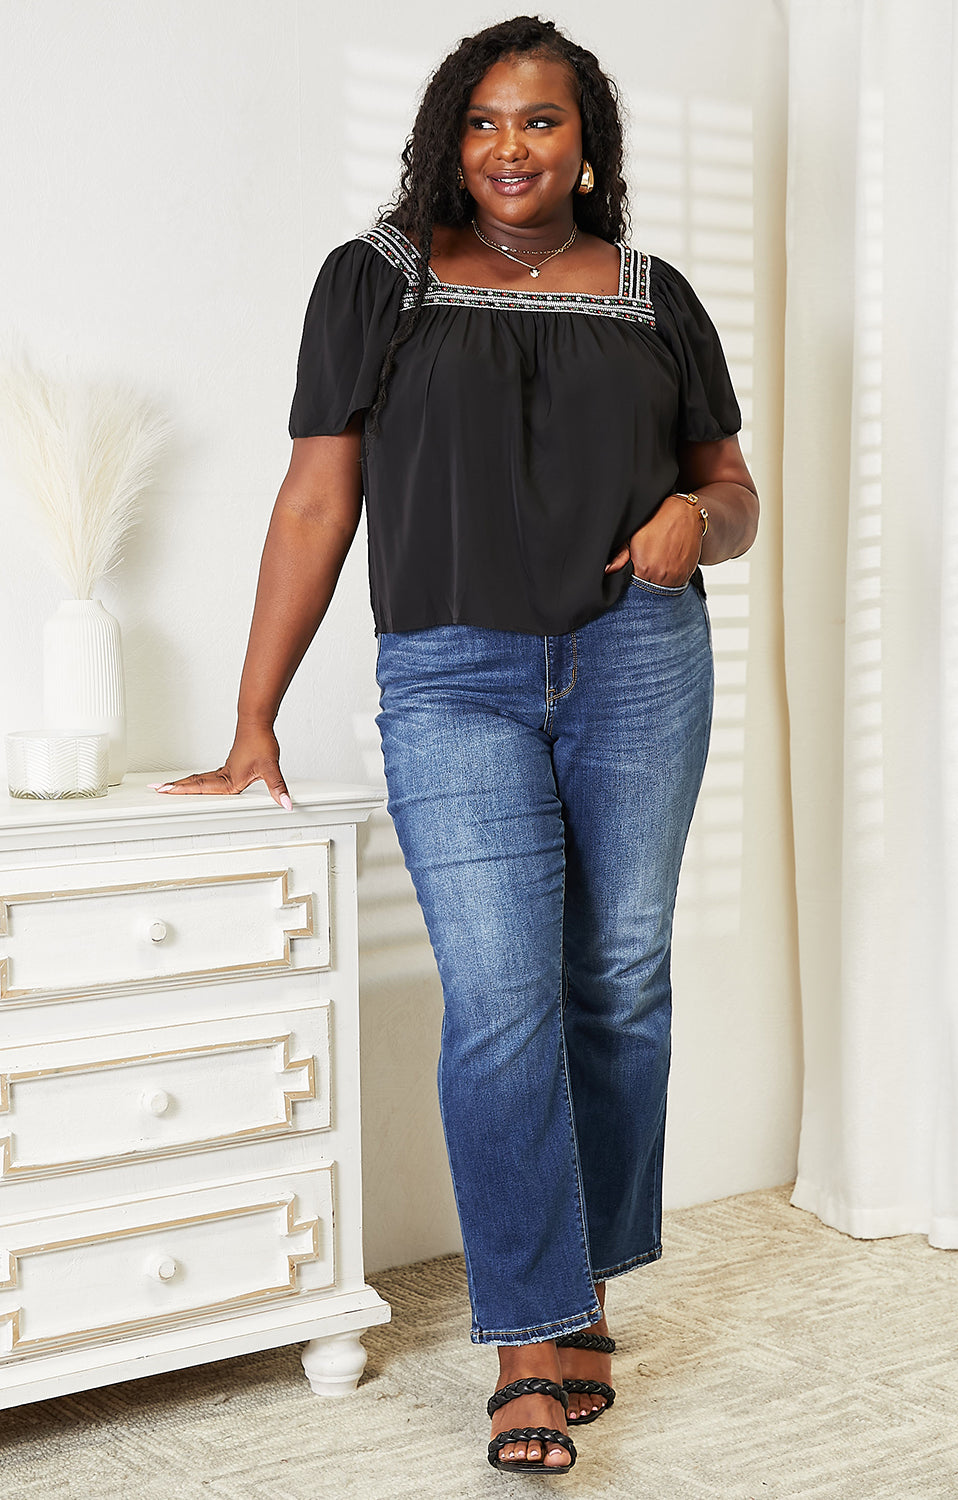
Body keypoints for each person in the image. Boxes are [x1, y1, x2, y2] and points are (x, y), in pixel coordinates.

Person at [152, 14, 758, 1476]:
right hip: (452, 675)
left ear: (588, 145)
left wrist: (696, 524)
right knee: (499, 998)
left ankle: (588, 1287)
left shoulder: (655, 294)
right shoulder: (377, 280)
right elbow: (315, 503)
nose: (510, 150)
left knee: (618, 979)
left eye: (540, 123)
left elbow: (730, 491)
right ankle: (528, 1341)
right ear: (448, 135)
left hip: (637, 660)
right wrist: (253, 721)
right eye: (484, 122)